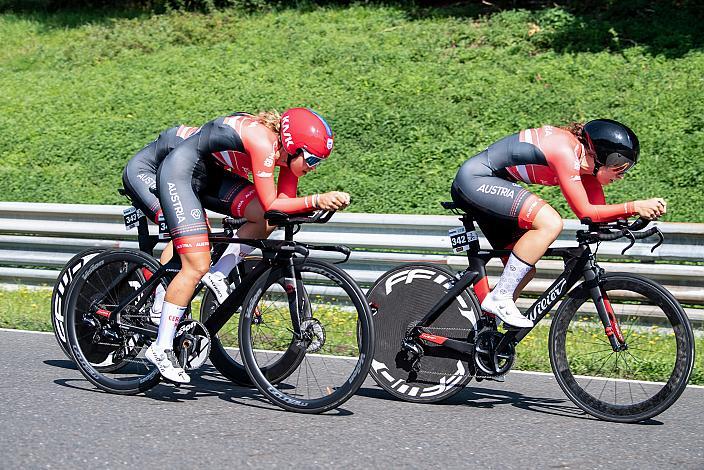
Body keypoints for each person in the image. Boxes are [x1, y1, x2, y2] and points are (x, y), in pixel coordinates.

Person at [147, 108, 350, 383]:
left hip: (212, 174)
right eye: (312, 159)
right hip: (181, 173)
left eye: (319, 162)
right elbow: (273, 203)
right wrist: (316, 200)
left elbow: (279, 211)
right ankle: (161, 348)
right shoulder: (262, 141)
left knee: (267, 221)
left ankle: (220, 272)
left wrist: (317, 207)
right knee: (196, 264)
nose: (313, 167)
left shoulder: (288, 157)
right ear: (293, 146)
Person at [450, 119, 666, 328]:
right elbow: (586, 211)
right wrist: (634, 206)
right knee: (550, 222)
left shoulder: (588, 171)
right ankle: (500, 297)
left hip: (494, 186)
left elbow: (594, 217)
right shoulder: (565, 150)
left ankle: (481, 333)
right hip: (476, 179)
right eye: (620, 166)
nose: (622, 175)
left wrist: (638, 219)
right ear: (603, 156)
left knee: (523, 270)